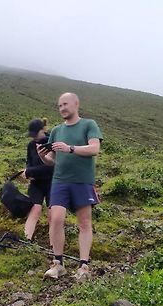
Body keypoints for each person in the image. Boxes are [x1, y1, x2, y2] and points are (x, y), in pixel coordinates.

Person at [37, 93, 103, 280]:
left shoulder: (89, 125)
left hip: (82, 181)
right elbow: (52, 161)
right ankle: (58, 264)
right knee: (55, 219)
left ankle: (83, 267)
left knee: (84, 223)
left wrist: (71, 148)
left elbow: (94, 149)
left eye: (65, 104)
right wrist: (43, 156)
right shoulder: (57, 130)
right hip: (59, 181)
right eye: (59, 106)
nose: (62, 108)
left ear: (76, 104)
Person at [21, 118, 54, 241]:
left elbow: (50, 167)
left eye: (36, 134)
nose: (34, 137)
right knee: (35, 209)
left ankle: (53, 245)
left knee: (53, 214)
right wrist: (28, 173)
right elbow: (29, 162)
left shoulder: (51, 143)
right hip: (36, 183)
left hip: (52, 183)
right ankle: (26, 240)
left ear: (43, 130)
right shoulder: (31, 145)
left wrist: (29, 172)